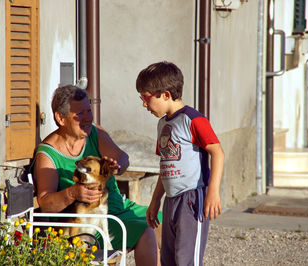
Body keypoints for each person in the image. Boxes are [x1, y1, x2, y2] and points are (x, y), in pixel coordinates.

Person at [33, 85, 162, 265]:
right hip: (89, 225)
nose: (87, 118)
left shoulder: (94, 133)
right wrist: (73, 193)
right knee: (146, 230)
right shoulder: (48, 155)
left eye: (89, 110)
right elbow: (45, 202)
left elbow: (123, 158)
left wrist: (117, 166)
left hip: (118, 208)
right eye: (79, 114)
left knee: (168, 221)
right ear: (60, 118)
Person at [135, 61, 225, 266]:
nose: (144, 104)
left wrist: (213, 191)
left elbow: (217, 152)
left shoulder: (193, 120)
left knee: (187, 260)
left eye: (146, 98)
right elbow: (165, 165)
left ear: (165, 95)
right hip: (170, 200)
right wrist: (155, 199)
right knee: (169, 259)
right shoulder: (162, 124)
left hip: (192, 198)